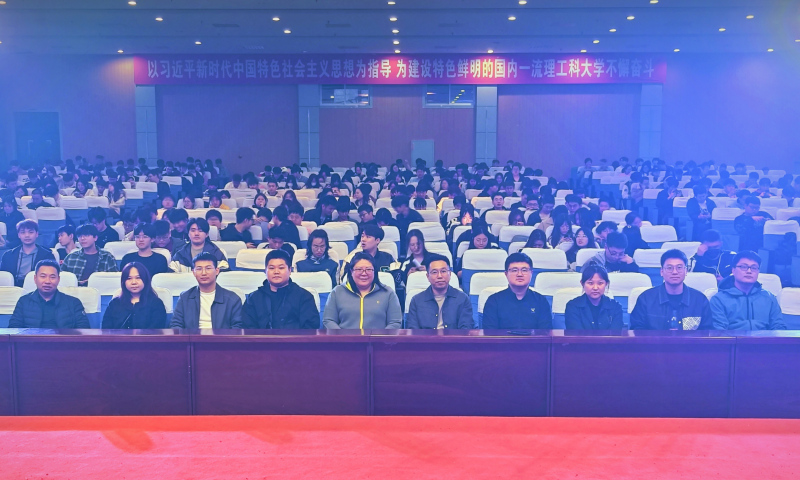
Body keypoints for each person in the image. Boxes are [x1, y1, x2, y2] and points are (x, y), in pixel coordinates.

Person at [631, 249, 714, 330]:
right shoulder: (645, 299)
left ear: (686, 271)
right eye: (669, 268)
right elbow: (637, 331)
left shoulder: (700, 300)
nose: (674, 272)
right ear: (661, 272)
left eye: (679, 267)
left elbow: (707, 332)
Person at [242, 249, 320, 329]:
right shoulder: (253, 299)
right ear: (265, 271)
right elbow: (248, 329)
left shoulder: (304, 297)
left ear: (289, 270)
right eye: (271, 268)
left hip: (295, 337)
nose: (276, 272)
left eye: (281, 268)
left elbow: (311, 328)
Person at [323, 252, 402, 329]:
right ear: (351, 271)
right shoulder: (337, 292)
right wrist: (342, 336)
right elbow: (329, 320)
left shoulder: (388, 293)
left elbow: (395, 322)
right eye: (359, 269)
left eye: (368, 269)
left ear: (374, 272)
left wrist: (381, 337)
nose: (364, 273)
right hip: (344, 337)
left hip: (378, 338)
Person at [710, 251, 785, 330]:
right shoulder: (719, 299)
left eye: (754, 268)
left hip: (765, 337)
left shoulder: (769, 298)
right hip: (732, 338)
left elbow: (778, 327)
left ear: (758, 272)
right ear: (733, 270)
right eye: (743, 267)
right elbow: (719, 331)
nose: (749, 271)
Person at [9, 259, 90, 329]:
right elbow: (13, 330)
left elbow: (84, 331)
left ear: (58, 279)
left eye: (52, 277)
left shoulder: (73, 302)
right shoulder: (23, 301)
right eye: (43, 276)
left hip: (64, 342)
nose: (47, 281)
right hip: (32, 342)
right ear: (35, 278)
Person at [170, 252, 243, 329]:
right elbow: (176, 324)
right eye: (199, 269)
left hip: (222, 337)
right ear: (194, 272)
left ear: (217, 271)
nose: (204, 273)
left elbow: (237, 328)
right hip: (191, 337)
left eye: (208, 268)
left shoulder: (233, 299)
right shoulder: (184, 297)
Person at [482, 253, 552, 330]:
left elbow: (545, 333)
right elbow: (490, 334)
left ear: (531, 273)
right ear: (506, 274)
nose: (519, 274)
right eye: (514, 270)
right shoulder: (493, 301)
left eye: (524, 270)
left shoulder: (541, 301)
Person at [406, 254, 473, 329]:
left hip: (454, 337)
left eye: (443, 271)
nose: (440, 276)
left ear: (450, 274)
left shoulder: (463, 299)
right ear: (428, 276)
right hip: (425, 337)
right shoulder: (416, 301)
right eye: (434, 272)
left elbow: (466, 330)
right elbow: (413, 331)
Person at [101, 262, 168, 329]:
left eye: (138, 278)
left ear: (145, 279)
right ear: (123, 282)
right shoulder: (114, 304)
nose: (134, 282)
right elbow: (106, 330)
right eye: (129, 278)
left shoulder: (156, 304)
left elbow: (157, 330)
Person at [564, 265, 624, 329]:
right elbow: (576, 333)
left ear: (606, 284)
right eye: (590, 283)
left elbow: (615, 333)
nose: (595, 288)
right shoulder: (573, 306)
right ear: (582, 283)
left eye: (600, 283)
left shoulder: (616, 307)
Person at [0, 220, 56, 287]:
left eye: (31, 232)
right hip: (13, 288)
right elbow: (3, 276)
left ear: (37, 234)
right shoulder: (8, 255)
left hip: (37, 288)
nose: (27, 235)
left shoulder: (47, 255)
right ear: (19, 235)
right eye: (23, 232)